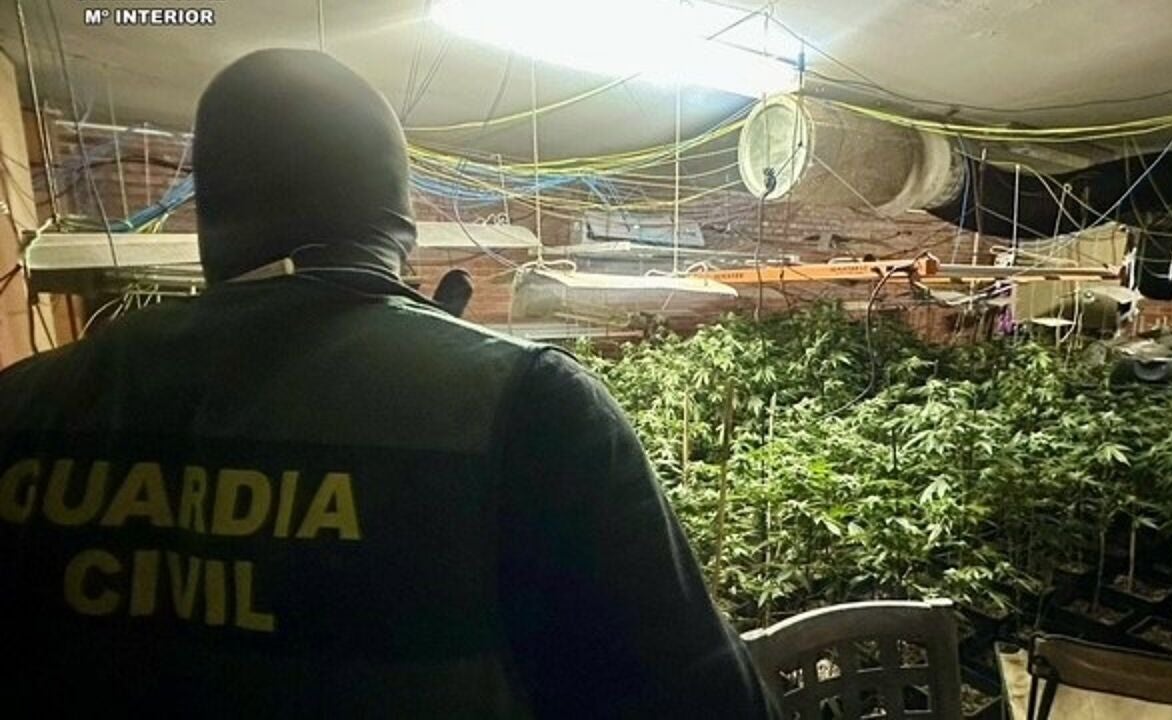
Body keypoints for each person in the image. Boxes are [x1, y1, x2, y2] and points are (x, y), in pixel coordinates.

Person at [0, 49, 779, 718]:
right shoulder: (527, 410)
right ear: (398, 225)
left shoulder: (22, 408)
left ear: (206, 220)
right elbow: (707, 703)